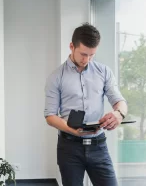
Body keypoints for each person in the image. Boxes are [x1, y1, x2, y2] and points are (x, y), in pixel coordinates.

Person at [44, 23, 128, 186]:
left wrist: (119, 114)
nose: (87, 60)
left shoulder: (104, 72)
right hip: (69, 148)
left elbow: (120, 101)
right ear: (71, 46)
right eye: (83, 54)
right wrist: (72, 129)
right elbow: (50, 116)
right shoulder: (56, 77)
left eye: (91, 55)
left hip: (98, 146)